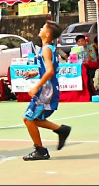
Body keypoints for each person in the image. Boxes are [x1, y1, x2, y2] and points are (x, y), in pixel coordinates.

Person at [21, 20, 71, 161]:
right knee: (33, 119)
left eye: (43, 27)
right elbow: (46, 69)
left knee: (28, 118)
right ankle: (61, 130)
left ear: (47, 34)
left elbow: (49, 71)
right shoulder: (48, 48)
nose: (40, 28)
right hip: (48, 89)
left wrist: (36, 86)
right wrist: (34, 73)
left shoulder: (46, 49)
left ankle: (40, 150)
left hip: (46, 91)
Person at [76, 35, 97, 99]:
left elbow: (90, 58)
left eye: (82, 41)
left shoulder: (90, 48)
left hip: (91, 66)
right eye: (79, 42)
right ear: (77, 43)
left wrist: (85, 52)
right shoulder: (76, 49)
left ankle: (89, 92)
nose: (81, 43)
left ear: (85, 41)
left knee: (87, 74)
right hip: (81, 66)